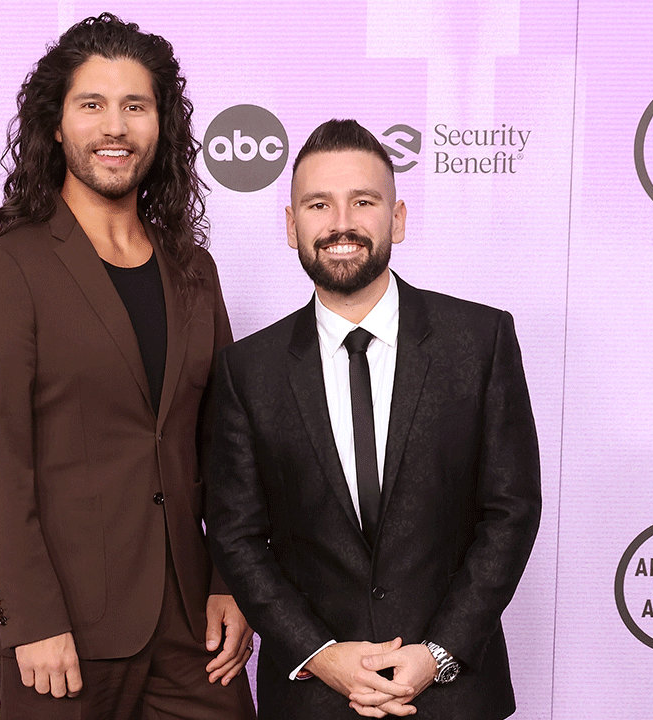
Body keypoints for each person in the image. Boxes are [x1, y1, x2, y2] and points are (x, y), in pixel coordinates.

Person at [0, 14, 256, 720]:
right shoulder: (8, 269)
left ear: (160, 128)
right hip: (65, 633)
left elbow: (226, 446)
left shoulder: (193, 272)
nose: (114, 127)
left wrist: (228, 581)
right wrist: (31, 618)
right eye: (92, 105)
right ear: (56, 126)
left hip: (193, 628)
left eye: (135, 106)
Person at [204, 119, 542, 719]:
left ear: (398, 218)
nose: (341, 224)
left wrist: (437, 654)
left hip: (455, 695)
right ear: (291, 226)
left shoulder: (480, 342)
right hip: (314, 699)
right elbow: (236, 536)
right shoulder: (245, 372)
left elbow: (511, 513)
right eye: (318, 204)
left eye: (364, 201)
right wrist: (320, 654)